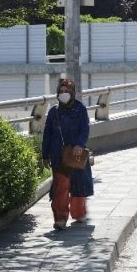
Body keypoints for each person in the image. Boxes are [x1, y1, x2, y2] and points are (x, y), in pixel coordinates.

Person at [42, 78, 94, 230]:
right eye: (61, 91)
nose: (63, 94)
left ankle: (78, 213)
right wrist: (45, 155)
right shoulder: (54, 112)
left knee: (79, 185)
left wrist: (79, 144)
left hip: (76, 155)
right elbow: (47, 134)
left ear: (72, 93)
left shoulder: (80, 109)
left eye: (67, 91)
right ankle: (60, 219)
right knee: (61, 187)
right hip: (58, 156)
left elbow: (85, 129)